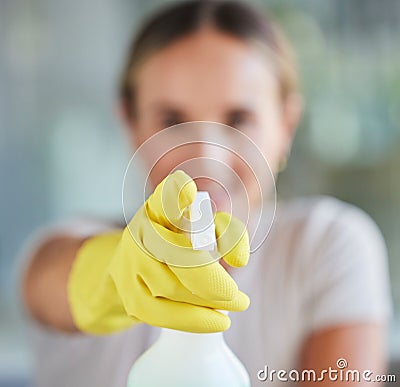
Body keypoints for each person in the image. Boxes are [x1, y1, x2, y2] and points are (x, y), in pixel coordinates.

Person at [20, 1, 392, 386]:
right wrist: (112, 276)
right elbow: (49, 279)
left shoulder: (328, 245)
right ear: (130, 125)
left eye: (238, 119)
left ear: (286, 125)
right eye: (172, 121)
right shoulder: (59, 250)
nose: (207, 157)